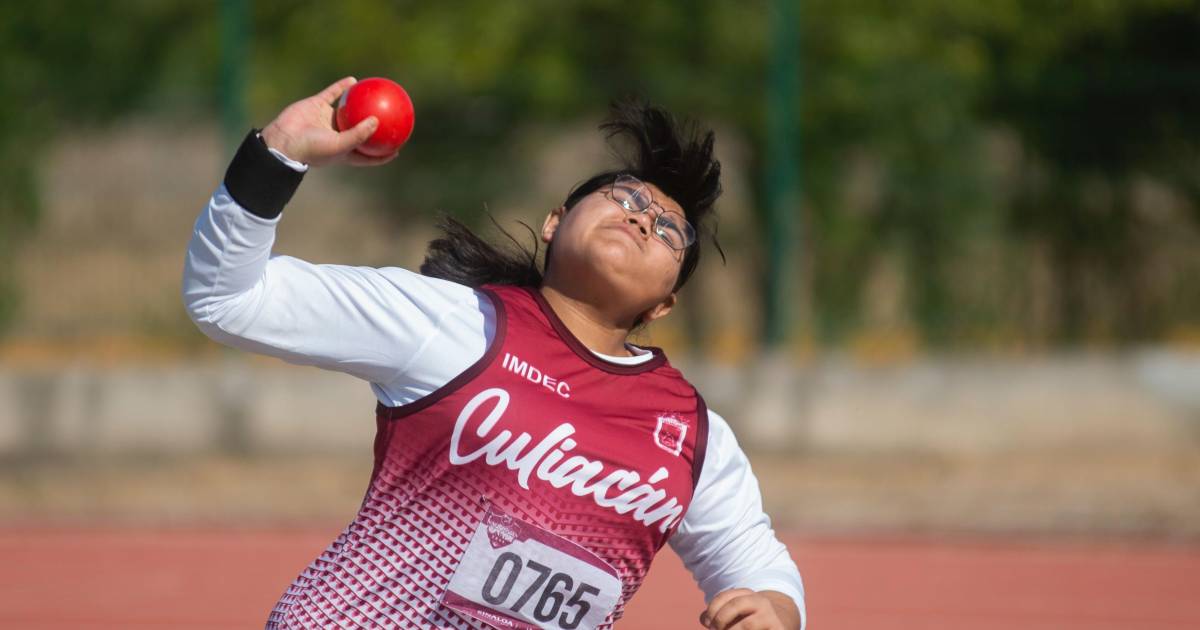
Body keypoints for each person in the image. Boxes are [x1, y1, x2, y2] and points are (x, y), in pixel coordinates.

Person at [183, 77, 805, 630]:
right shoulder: (453, 323)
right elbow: (227, 299)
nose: (644, 220)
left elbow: (756, 565)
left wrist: (774, 612)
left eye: (670, 231)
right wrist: (278, 153)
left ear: (662, 305)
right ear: (555, 222)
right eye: (626, 198)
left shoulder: (692, 434)